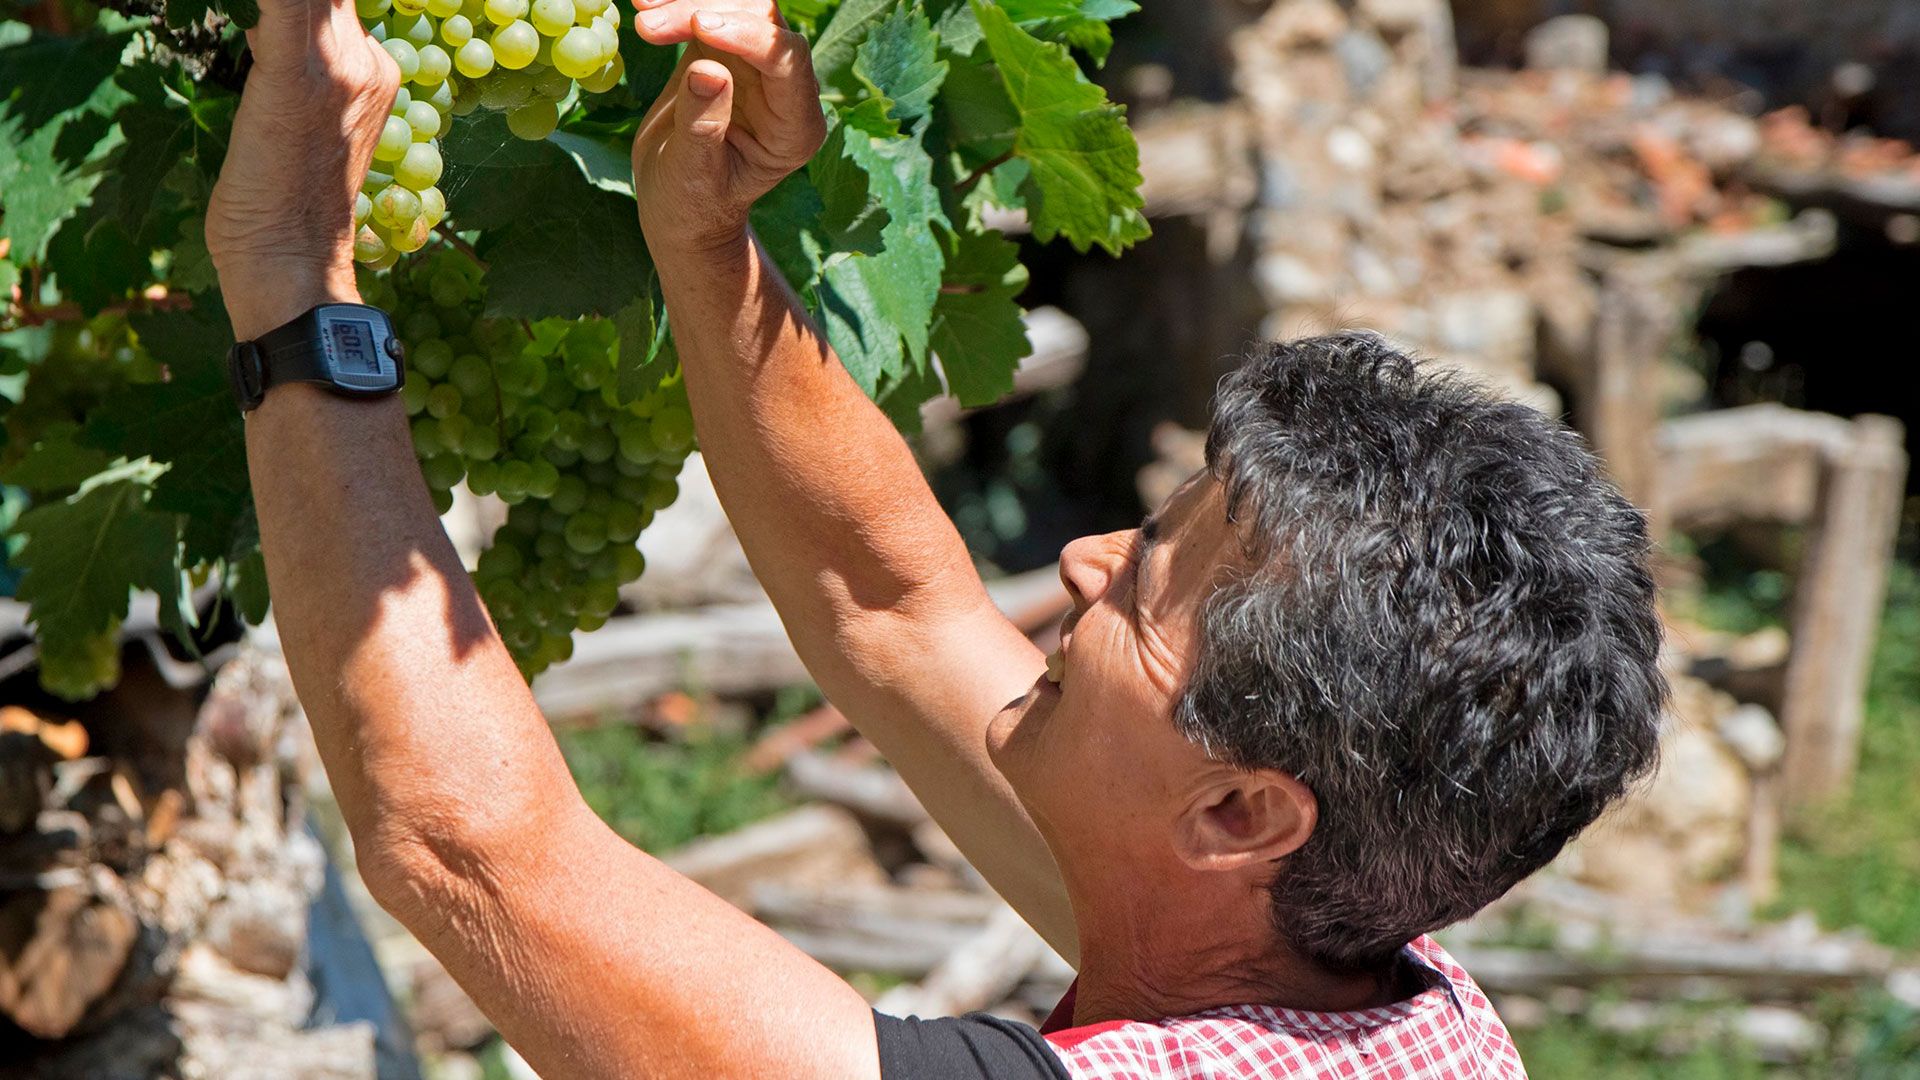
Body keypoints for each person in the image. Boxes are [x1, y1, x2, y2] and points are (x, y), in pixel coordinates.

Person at [202, 0, 1668, 1072]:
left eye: (1146, 590)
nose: (1086, 560)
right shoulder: (1385, 1003)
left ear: (1239, 815)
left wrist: (287, 268)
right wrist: (706, 238)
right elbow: (889, 603)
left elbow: (470, 850)